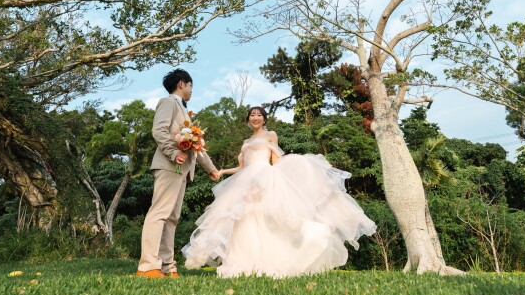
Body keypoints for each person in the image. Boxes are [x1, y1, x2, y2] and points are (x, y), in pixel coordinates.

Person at [182, 106, 376, 278]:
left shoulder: (270, 135)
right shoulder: (246, 141)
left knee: (267, 218)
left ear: (264, 119)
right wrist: (222, 171)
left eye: (259, 115)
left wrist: (291, 171)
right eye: (252, 115)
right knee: (244, 220)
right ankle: (246, 260)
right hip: (244, 180)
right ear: (248, 119)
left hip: (264, 177)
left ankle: (275, 259)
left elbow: (276, 161)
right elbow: (241, 167)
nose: (255, 117)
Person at [137, 69, 220, 278]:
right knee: (159, 213)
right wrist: (173, 152)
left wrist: (210, 169)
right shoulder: (168, 102)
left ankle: (167, 266)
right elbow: (159, 130)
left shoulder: (186, 114)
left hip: (182, 171)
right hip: (169, 165)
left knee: (172, 218)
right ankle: (148, 265)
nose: (192, 91)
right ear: (182, 84)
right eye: (191, 86)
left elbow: (196, 146)